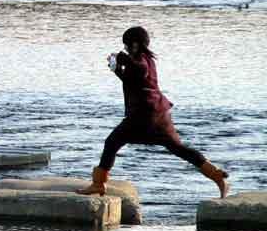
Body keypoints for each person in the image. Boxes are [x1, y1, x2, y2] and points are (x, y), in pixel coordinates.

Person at [77, 26, 229, 199]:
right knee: (179, 149)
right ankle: (217, 176)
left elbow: (140, 70)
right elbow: (135, 80)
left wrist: (121, 58)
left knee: (112, 142)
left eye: (126, 45)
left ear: (135, 44)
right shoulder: (148, 59)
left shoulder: (140, 60)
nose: (125, 48)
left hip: (143, 114)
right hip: (160, 114)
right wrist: (117, 69)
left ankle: (98, 184)